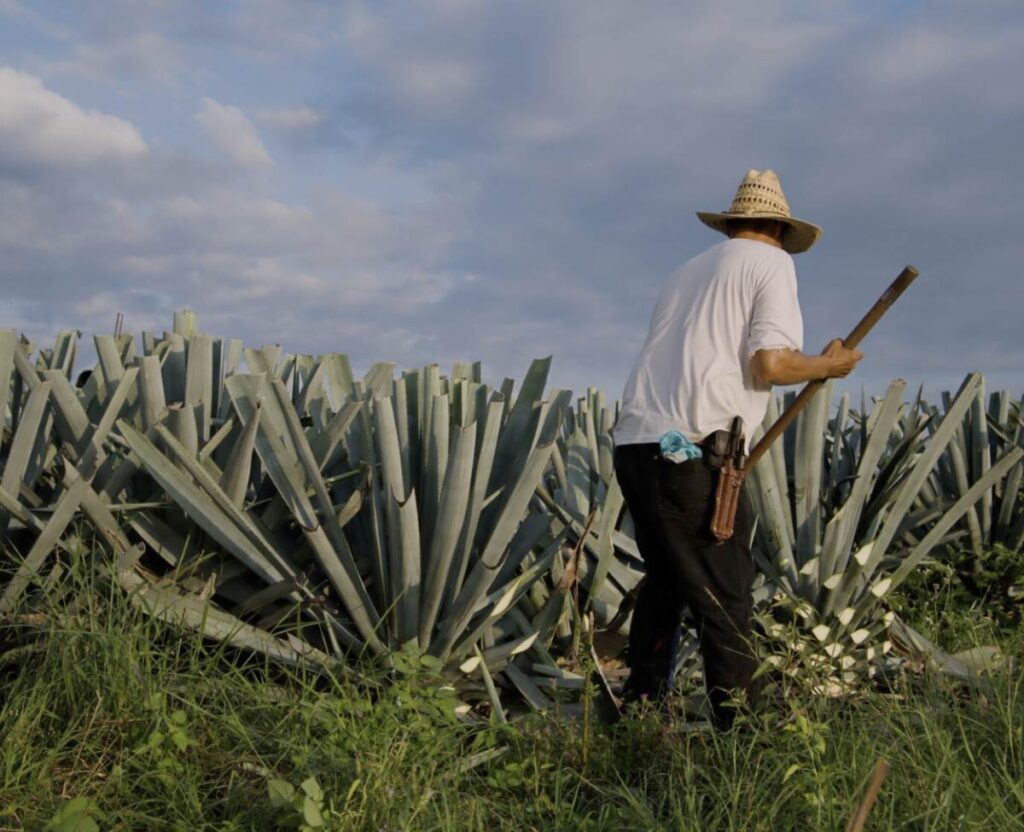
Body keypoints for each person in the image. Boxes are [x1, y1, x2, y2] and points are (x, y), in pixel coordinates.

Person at [611, 169, 863, 729]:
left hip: (636, 443)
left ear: (733, 224)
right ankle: (744, 735)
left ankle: (643, 709)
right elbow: (770, 364)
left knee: (669, 578)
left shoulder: (684, 273)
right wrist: (831, 365)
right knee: (725, 593)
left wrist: (817, 363)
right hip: (696, 449)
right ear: (778, 226)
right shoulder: (772, 263)